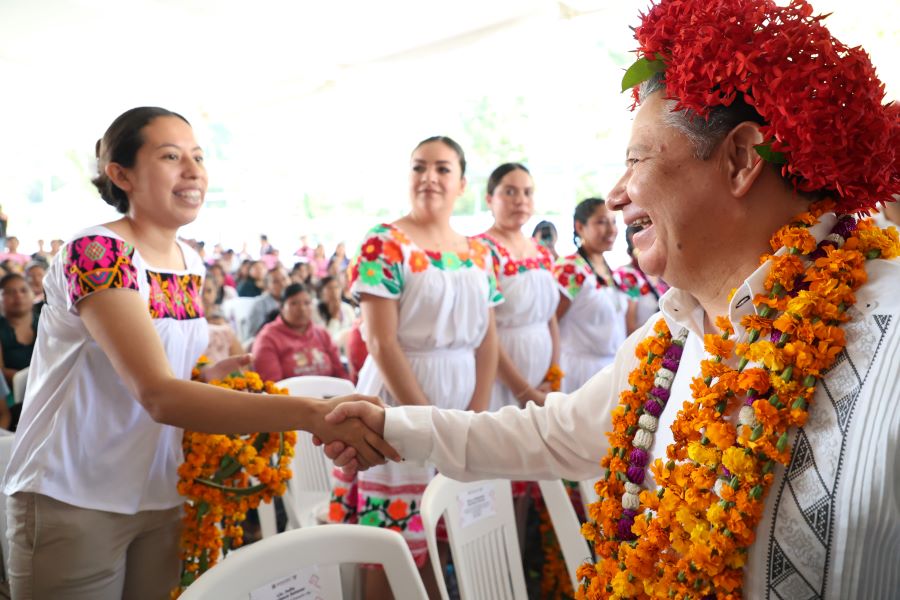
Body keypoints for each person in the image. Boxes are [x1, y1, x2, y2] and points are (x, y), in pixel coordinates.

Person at [320, 1, 900, 597]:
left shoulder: (889, 339)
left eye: (635, 159)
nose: (615, 196)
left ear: (742, 159)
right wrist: (394, 426)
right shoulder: (669, 341)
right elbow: (551, 434)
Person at [0, 107, 398, 600]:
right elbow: (159, 394)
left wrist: (205, 377)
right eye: (170, 156)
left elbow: (159, 375)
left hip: (162, 491)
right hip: (75, 494)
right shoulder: (97, 252)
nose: (193, 171)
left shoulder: (188, 259)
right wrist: (311, 413)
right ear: (120, 174)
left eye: (198, 157)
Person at [329, 135, 502, 599]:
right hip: (399, 403)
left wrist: (475, 415)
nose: (429, 177)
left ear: (462, 183)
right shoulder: (383, 243)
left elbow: (488, 340)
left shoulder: (480, 250)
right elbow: (381, 343)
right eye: (419, 167)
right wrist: (426, 425)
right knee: (393, 544)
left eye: (442, 168)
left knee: (446, 533)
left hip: (462, 403)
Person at [477, 163, 559, 410]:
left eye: (527, 192)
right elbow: (484, 331)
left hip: (543, 382)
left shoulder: (543, 252)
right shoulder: (480, 251)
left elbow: (550, 318)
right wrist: (523, 392)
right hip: (497, 382)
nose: (520, 200)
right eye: (510, 192)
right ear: (490, 199)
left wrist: (553, 376)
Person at [554, 198, 629, 392]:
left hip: (609, 368)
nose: (611, 230)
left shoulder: (606, 268)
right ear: (580, 227)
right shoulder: (570, 269)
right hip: (578, 372)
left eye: (613, 222)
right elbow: (551, 322)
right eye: (602, 222)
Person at [251, 283, 350, 383]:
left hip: (331, 396)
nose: (302, 308)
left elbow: (340, 373)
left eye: (307, 303)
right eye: (294, 303)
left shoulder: (322, 334)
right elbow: (272, 387)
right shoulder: (267, 338)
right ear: (281, 308)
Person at [0, 273, 39, 431]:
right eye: (9, 292)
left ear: (32, 295)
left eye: (23, 290)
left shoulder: (47, 322)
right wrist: (27, 379)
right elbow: (0, 370)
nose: (18, 296)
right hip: (11, 397)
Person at [614, 224, 670, 334]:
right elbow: (629, 327)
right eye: (637, 244)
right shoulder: (628, 275)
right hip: (644, 345)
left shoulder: (663, 275)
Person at [200, 277, 243, 363]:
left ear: (216, 293)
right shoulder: (187, 323)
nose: (204, 296)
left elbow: (240, 357)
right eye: (200, 292)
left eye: (209, 291)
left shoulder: (223, 320)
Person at [245, 267, 288, 340]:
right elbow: (256, 334)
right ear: (267, 286)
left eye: (284, 279)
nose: (282, 284)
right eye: (275, 281)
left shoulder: (294, 302)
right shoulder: (259, 305)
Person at [313, 275, 356, 347]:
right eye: (329, 288)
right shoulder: (315, 311)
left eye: (336, 287)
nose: (334, 291)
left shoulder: (347, 308)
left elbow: (354, 331)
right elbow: (324, 340)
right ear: (320, 292)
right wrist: (334, 317)